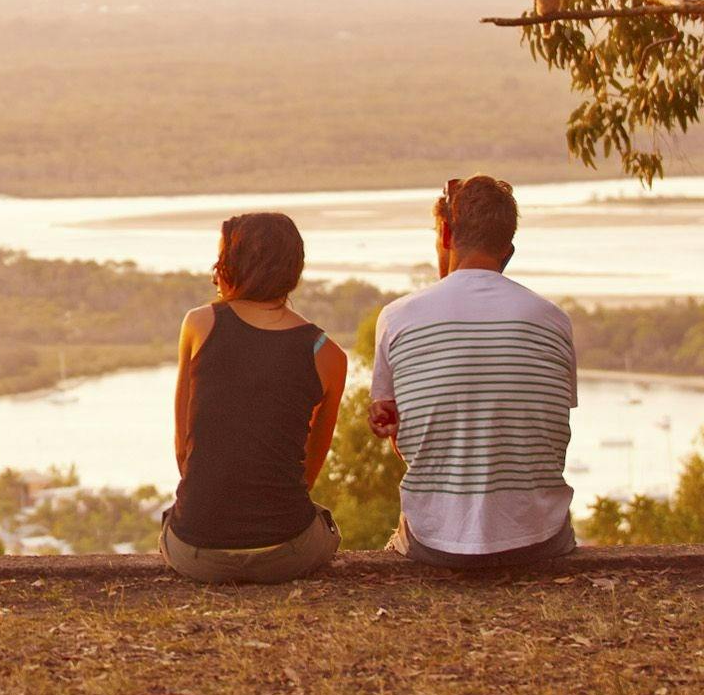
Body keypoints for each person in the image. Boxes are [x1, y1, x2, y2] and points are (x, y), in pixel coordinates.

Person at [370, 175, 578, 567]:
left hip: (436, 543)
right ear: (509, 250)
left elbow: (404, 441)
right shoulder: (554, 320)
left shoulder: (397, 318)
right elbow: (549, 431)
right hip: (540, 539)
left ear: (446, 233)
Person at [161, 212, 346, 584]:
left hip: (196, 553)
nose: (215, 271)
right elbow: (308, 471)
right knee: (323, 523)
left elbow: (184, 453)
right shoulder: (329, 355)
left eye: (221, 259)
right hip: (287, 554)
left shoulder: (199, 325)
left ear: (233, 266)